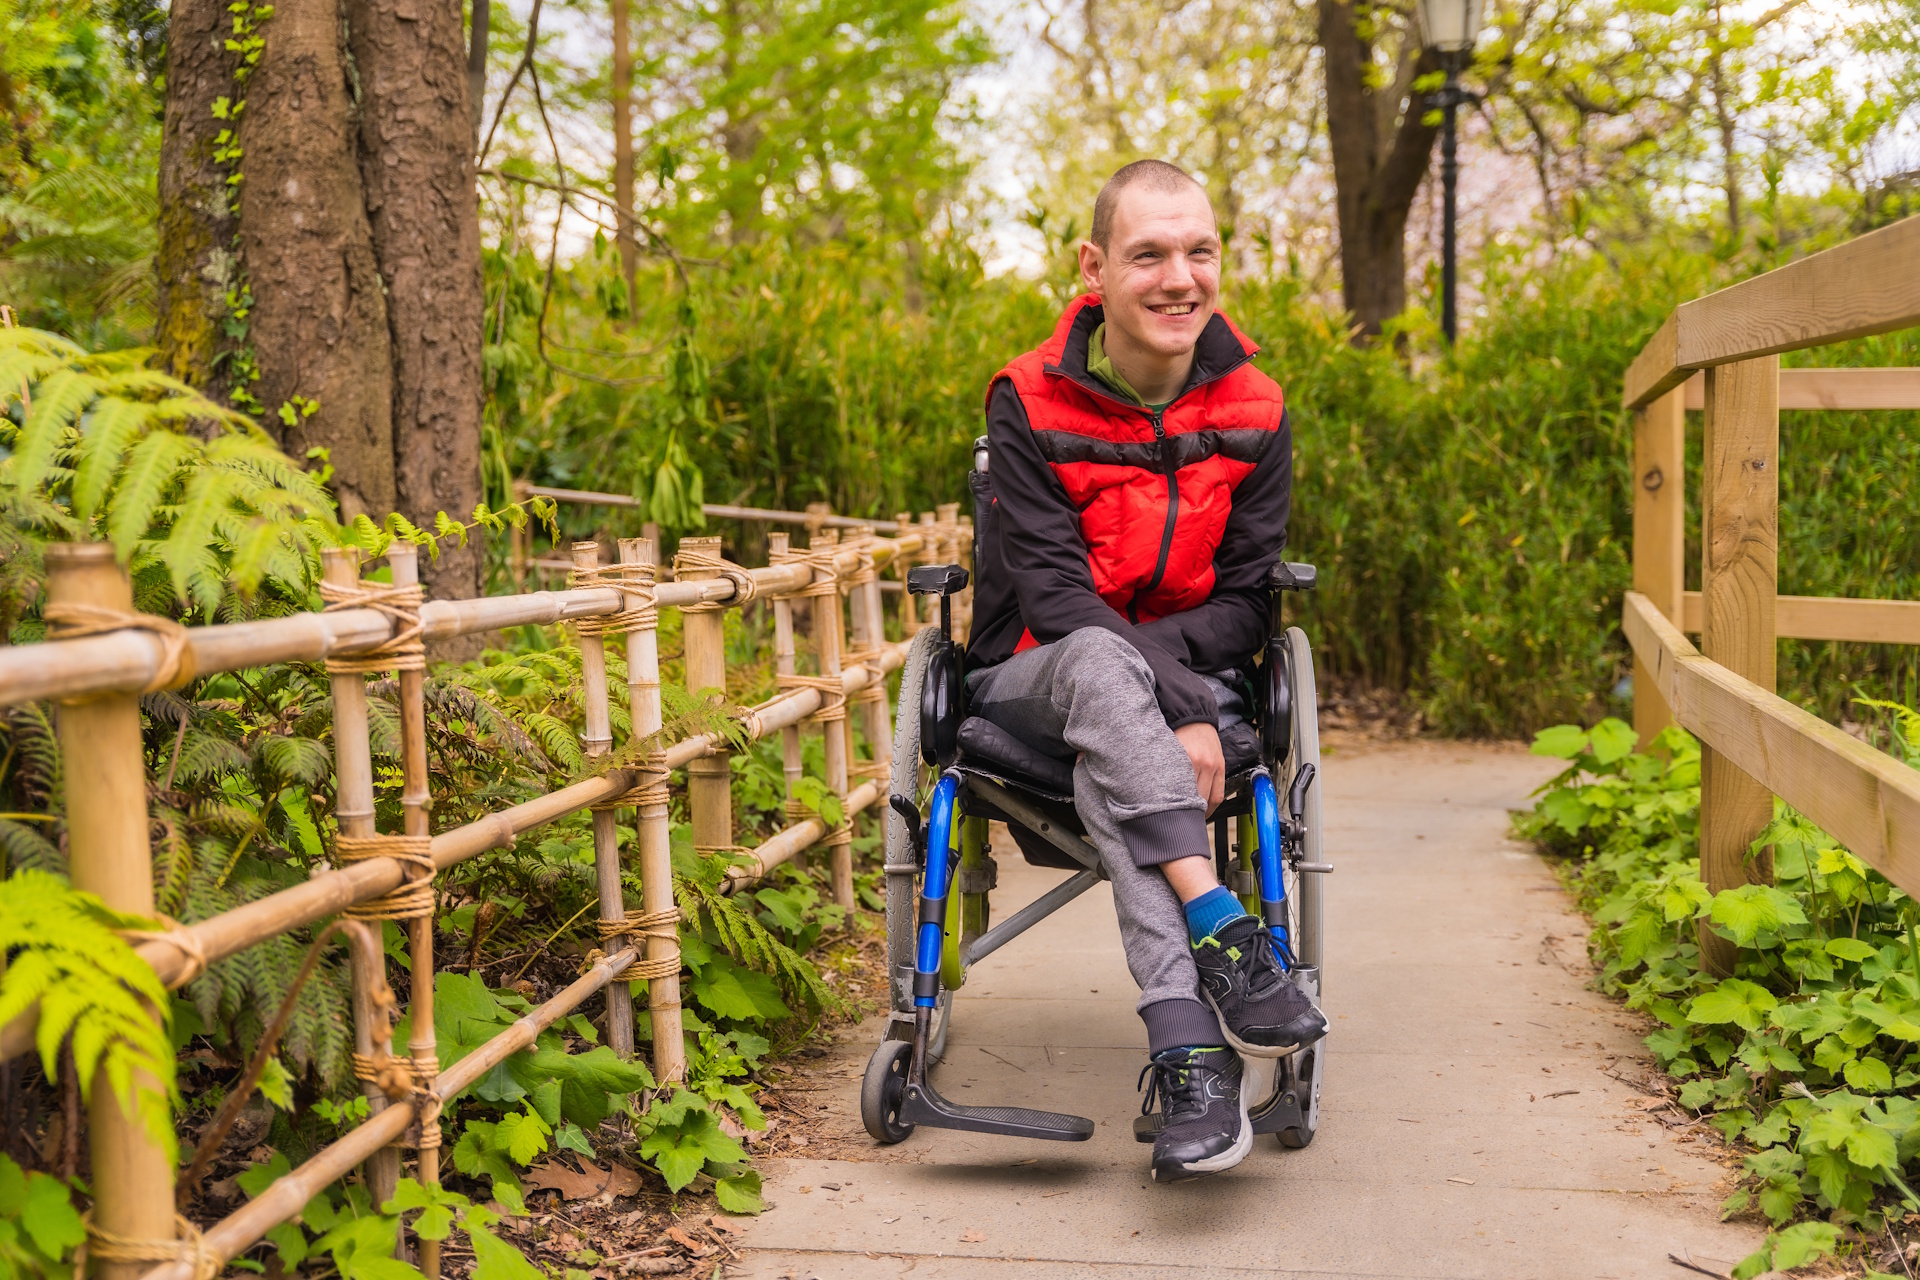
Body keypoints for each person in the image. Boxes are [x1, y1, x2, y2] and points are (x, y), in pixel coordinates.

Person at [964, 159, 1327, 1183]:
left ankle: (1191, 1054)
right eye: (1149, 253)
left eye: (1199, 251)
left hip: (1173, 696)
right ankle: (1223, 923)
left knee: (1113, 765)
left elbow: (1250, 599)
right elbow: (1054, 599)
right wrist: (1186, 706)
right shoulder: (1027, 399)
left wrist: (1173, 695)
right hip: (1034, 673)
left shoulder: (1257, 406)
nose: (1179, 277)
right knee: (1091, 661)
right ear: (1096, 265)